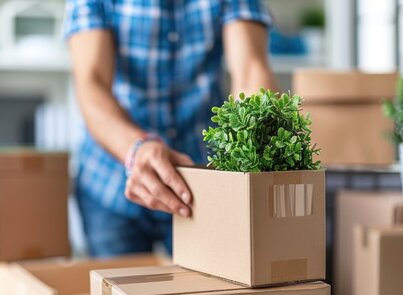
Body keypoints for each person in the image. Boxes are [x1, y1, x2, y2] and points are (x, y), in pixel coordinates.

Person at [65, 0, 278, 257]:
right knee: (121, 293)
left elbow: (250, 71)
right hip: (112, 181)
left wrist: (253, 152)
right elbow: (92, 85)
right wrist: (137, 148)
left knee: (208, 294)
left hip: (201, 182)